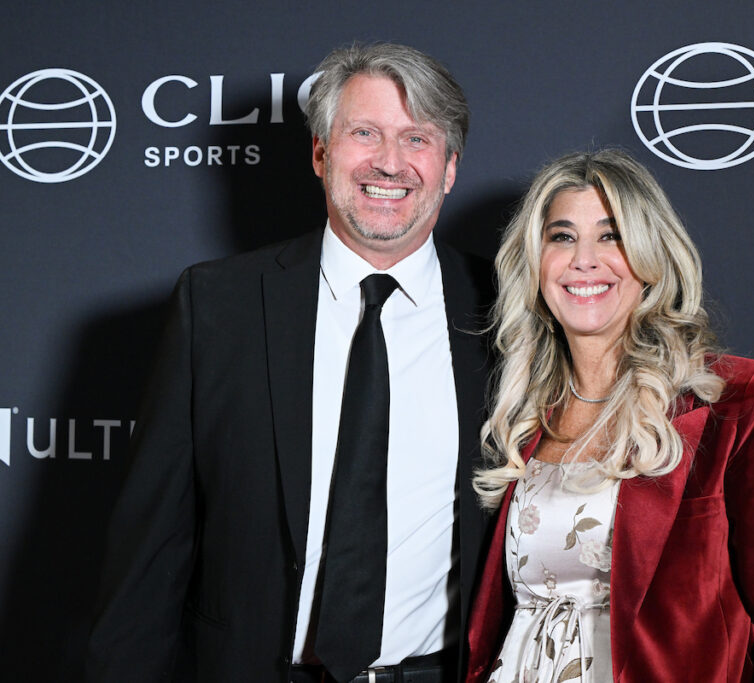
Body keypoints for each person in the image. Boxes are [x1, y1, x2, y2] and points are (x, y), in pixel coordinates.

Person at [87, 43, 492, 683]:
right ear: (321, 153)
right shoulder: (217, 305)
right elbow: (151, 553)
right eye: (365, 133)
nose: (390, 162)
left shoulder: (506, 310)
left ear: (448, 169)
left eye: (417, 139)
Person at [464, 149, 754, 682]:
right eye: (562, 237)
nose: (584, 260)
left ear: (651, 256)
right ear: (534, 263)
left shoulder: (736, 400)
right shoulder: (520, 412)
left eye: (610, 236)